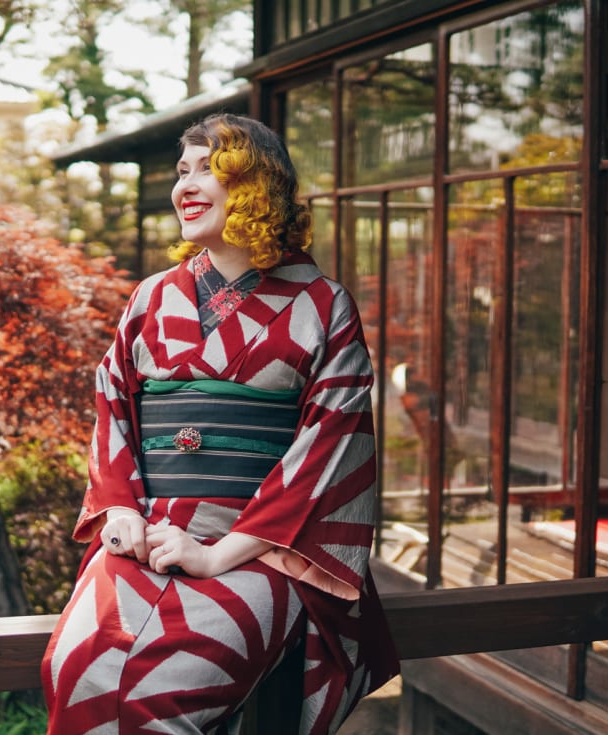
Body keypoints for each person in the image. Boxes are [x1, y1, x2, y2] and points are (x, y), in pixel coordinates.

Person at [41, 113, 399, 734]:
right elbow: (113, 406)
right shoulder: (151, 297)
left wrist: (214, 557)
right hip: (145, 536)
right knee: (75, 668)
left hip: (258, 546)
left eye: (209, 169)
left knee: (166, 694)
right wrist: (121, 514)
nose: (186, 184)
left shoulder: (322, 303)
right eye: (182, 172)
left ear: (257, 187)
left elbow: (329, 447)